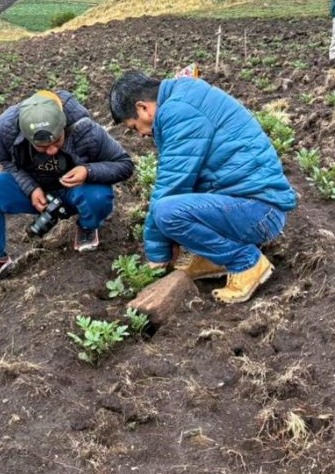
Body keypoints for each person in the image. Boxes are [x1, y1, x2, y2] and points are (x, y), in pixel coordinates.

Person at [109, 71, 298, 304]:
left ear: (143, 108)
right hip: (250, 204)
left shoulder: (179, 112)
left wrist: (158, 254)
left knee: (166, 212)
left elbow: (171, 187)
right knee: (174, 209)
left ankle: (246, 263)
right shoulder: (184, 98)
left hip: (259, 211)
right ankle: (215, 259)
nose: (140, 134)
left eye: (134, 127)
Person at [0, 90, 134, 286]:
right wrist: (30, 188)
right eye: (43, 147)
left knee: (97, 197)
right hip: (37, 189)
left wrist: (87, 171)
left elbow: (124, 164)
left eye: (57, 141)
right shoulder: (5, 129)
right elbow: (5, 160)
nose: (52, 151)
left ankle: (87, 227)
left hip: (76, 190)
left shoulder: (85, 129)